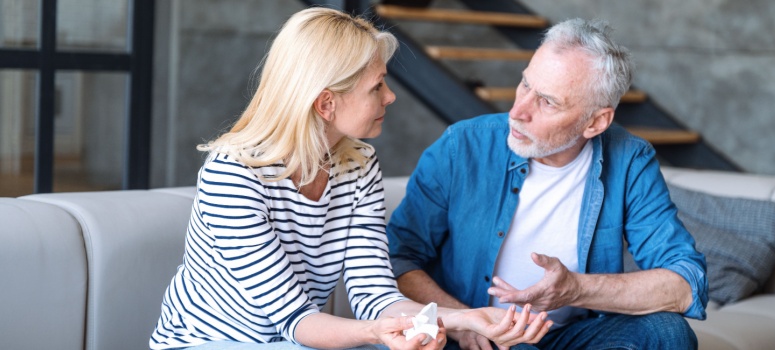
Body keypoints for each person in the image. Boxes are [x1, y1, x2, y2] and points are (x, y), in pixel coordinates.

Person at [149, 7, 553, 350]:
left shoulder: (358, 165)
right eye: (377, 86)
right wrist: (378, 333)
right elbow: (294, 318)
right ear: (326, 103)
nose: (390, 96)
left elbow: (375, 295)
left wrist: (465, 319)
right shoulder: (233, 175)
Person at [387, 18, 708, 350]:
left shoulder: (630, 160)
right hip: (472, 333)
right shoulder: (462, 146)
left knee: (668, 333)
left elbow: (685, 283)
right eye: (525, 84)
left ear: (596, 122)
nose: (518, 111)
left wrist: (576, 289)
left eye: (548, 101)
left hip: (570, 337)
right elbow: (398, 257)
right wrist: (464, 322)